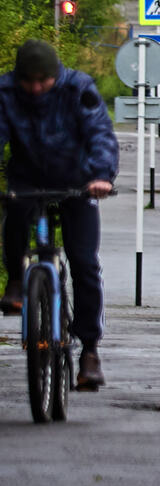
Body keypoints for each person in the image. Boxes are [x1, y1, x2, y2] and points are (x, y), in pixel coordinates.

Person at [0, 40, 118, 390]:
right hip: (27, 177)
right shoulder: (6, 91)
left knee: (84, 262)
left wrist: (101, 176)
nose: (36, 89)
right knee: (15, 215)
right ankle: (17, 281)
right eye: (29, 82)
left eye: (43, 81)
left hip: (78, 182)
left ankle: (90, 352)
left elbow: (100, 133)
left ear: (55, 75)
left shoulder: (77, 89)